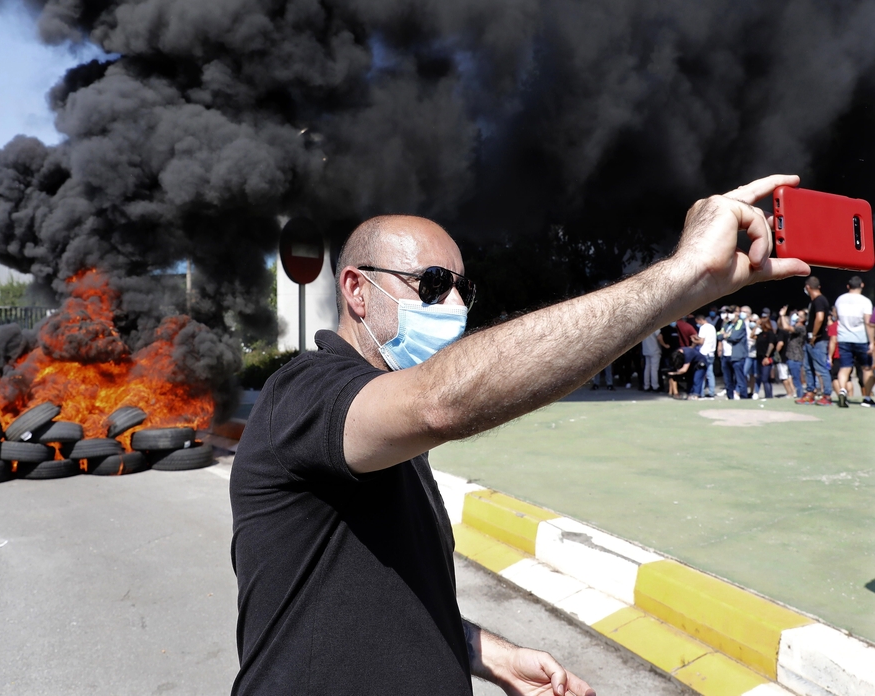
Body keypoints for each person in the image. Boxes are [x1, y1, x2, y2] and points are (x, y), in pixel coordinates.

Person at [229, 174, 808, 696]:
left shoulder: (387, 439)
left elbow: (381, 594)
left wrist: (492, 655)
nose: (454, 304)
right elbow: (441, 400)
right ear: (357, 292)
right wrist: (682, 276)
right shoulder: (304, 394)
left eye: (461, 288)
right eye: (432, 285)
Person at [832, 276, 874, 408]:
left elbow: (837, 318)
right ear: (862, 285)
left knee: (845, 368)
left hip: (843, 338)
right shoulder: (865, 301)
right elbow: (868, 323)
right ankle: (867, 397)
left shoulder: (840, 300)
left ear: (848, 286)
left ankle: (842, 390)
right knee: (866, 369)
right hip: (861, 338)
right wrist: (872, 341)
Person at [798, 276, 832, 405]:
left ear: (808, 287)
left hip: (817, 340)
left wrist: (814, 334)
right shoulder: (816, 301)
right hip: (812, 340)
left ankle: (827, 396)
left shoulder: (819, 300)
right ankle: (810, 393)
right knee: (808, 367)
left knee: (821, 368)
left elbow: (820, 317)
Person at [723, 307, 749, 400]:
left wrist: (725, 335)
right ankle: (730, 398)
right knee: (727, 380)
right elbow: (719, 335)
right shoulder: (727, 324)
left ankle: (744, 397)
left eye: (731, 312)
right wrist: (724, 335)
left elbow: (735, 337)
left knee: (740, 379)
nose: (728, 314)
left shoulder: (740, 323)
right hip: (725, 355)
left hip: (737, 355)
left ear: (737, 313)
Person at [753, 316, 777, 399]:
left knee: (765, 378)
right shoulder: (760, 334)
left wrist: (767, 356)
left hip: (766, 357)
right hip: (759, 358)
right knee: (762, 377)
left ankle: (768, 395)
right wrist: (756, 326)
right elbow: (752, 336)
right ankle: (768, 395)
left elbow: (771, 345)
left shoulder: (770, 333)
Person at [694, 314, 717, 398]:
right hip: (711, 352)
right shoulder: (712, 327)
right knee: (710, 374)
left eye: (697, 322)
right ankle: (711, 392)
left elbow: (701, 342)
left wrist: (694, 340)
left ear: (700, 320)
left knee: (702, 374)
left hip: (704, 353)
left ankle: (701, 392)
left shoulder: (703, 328)